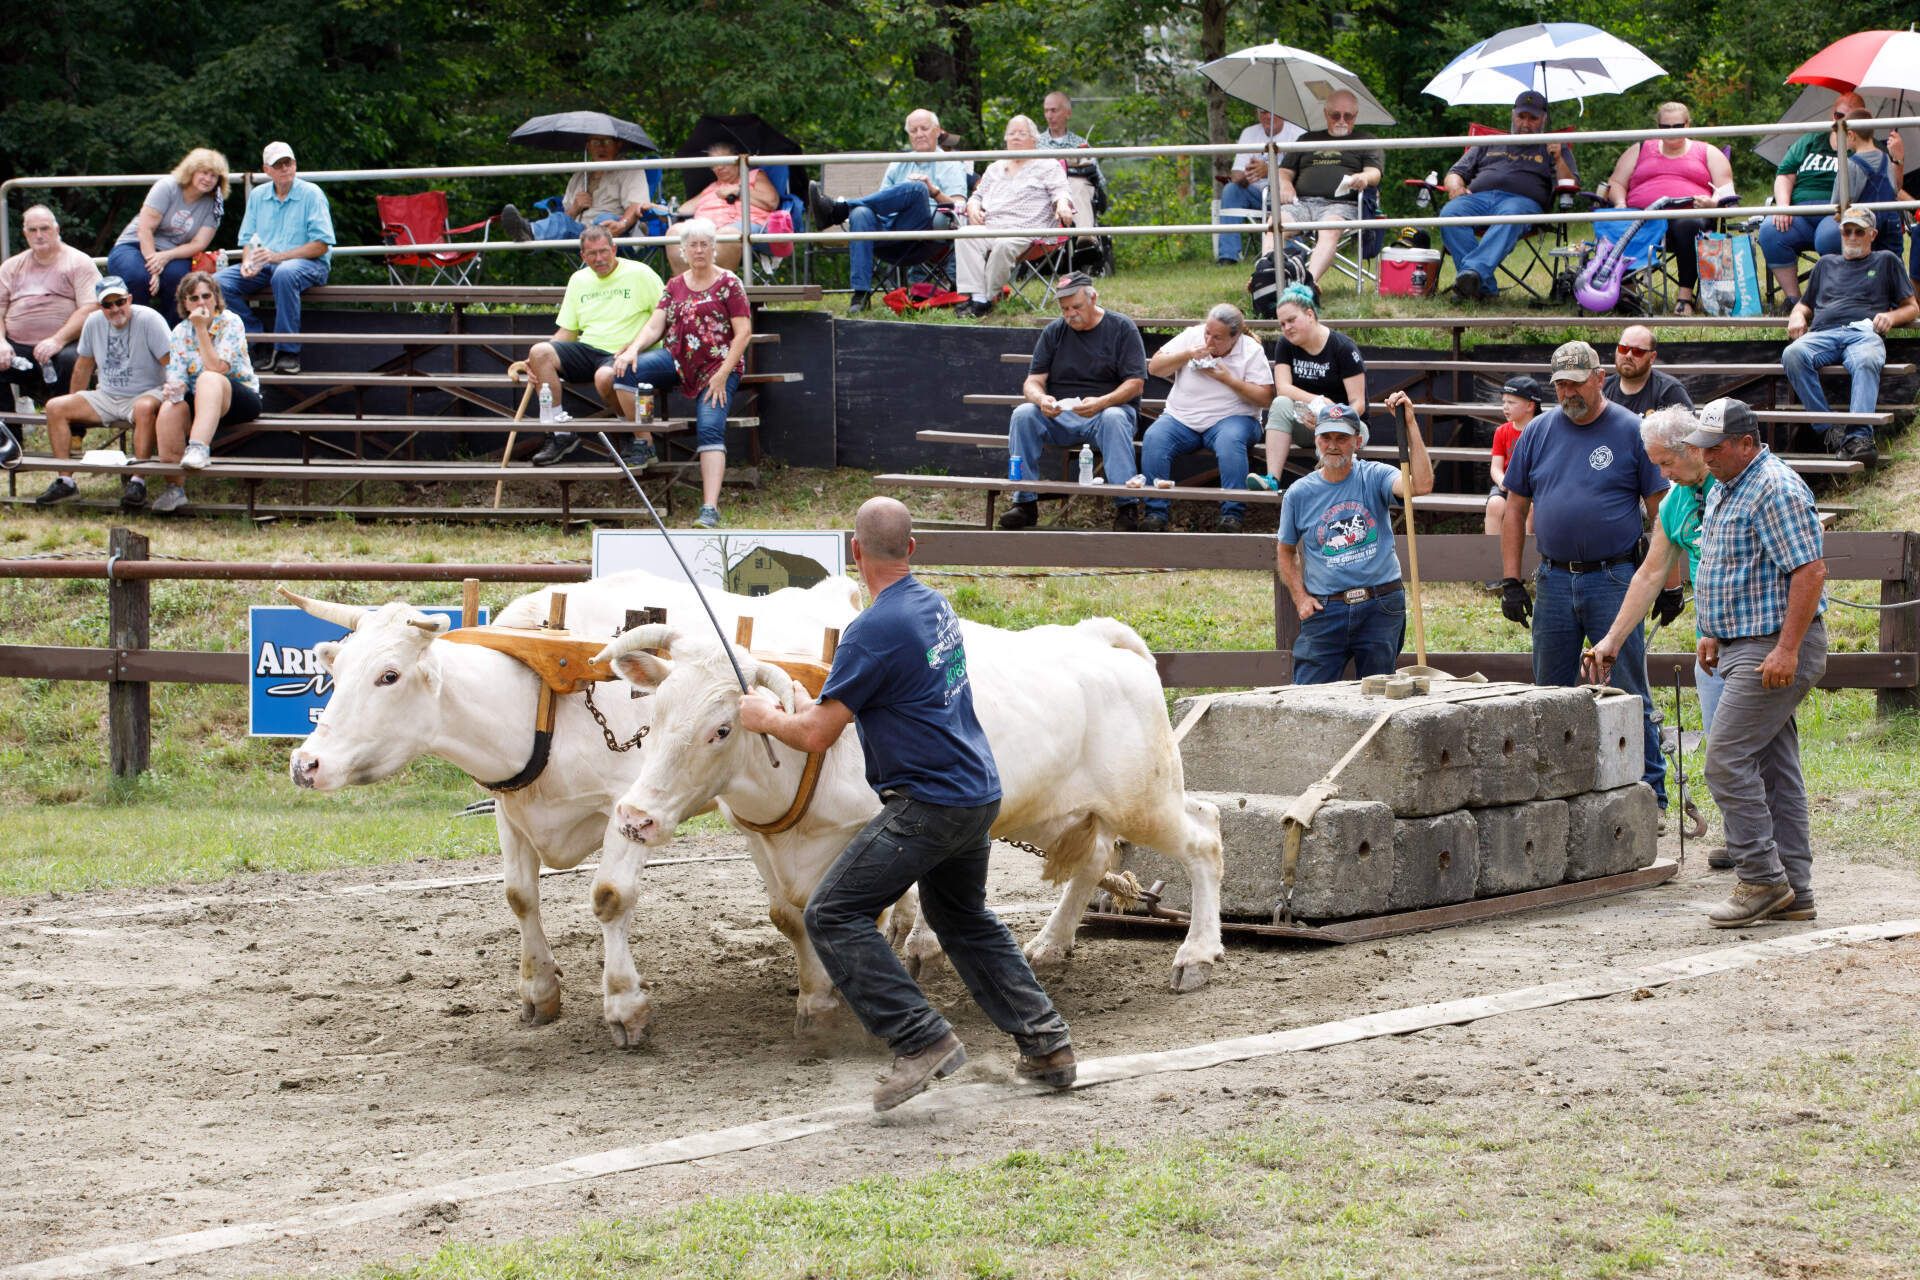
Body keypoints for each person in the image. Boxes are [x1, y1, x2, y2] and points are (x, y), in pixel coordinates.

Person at [739, 496, 1076, 1112]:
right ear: (913, 549)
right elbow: (880, 691)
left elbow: (816, 734)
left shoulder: (871, 630)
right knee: (962, 919)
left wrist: (764, 717)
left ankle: (922, 1040)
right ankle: (1048, 1046)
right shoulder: (932, 605)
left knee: (832, 914)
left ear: (854, 552)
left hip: (928, 802)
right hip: (976, 789)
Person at [1498, 340, 1672, 811]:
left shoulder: (1631, 430)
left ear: (1600, 379)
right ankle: (1550, 796)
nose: (1568, 392)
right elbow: (1515, 509)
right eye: (1560, 385)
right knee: (1548, 692)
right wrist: (1512, 580)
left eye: (1576, 382)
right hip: (1553, 579)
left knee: (1629, 689)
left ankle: (1651, 796)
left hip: (1613, 577)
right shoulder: (1536, 432)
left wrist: (1669, 582)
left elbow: (1663, 512)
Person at [1684, 399, 1829, 927]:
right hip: (1747, 642)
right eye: (1703, 446)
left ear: (1748, 442)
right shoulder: (1729, 484)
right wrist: (1712, 631)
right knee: (1774, 766)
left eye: (1716, 446)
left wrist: (1786, 648)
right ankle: (1796, 890)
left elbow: (1809, 571)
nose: (1707, 455)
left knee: (1723, 758)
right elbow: (1729, 567)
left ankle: (1762, 879)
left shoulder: (1774, 487)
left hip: (1772, 644)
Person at [1583, 404, 1727, 863]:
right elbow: (1649, 574)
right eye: (1656, 465)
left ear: (1694, 450)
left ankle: (1766, 847)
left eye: (1666, 462)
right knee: (1723, 748)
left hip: (1756, 636)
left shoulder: (1734, 485)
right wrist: (1612, 639)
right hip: (1713, 638)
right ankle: (1746, 842)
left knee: (1742, 749)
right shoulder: (1675, 500)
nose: (1662, 473)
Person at [1276, 394, 1432, 683]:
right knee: (1308, 698)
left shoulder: (1374, 475)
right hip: (1325, 609)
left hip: (1380, 604)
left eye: (1342, 438)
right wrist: (1301, 598)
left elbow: (1420, 484)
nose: (1333, 445)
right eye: (1326, 437)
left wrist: (1410, 423)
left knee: (1377, 697)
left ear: (1357, 442)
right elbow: (1286, 552)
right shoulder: (1298, 493)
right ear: (1316, 439)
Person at [610, 218, 751, 530]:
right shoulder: (674, 285)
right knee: (622, 372)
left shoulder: (729, 283)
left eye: (704, 244)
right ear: (684, 250)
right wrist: (633, 349)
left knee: (710, 428)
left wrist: (723, 373)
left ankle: (709, 508)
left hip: (718, 365)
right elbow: (654, 326)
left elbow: (743, 334)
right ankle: (644, 442)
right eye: (693, 245)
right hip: (676, 359)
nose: (699, 250)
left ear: (714, 248)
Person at [996, 272, 1147, 531]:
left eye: (1076, 307)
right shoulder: (1054, 331)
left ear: (1093, 298)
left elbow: (1135, 383)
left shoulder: (1121, 328)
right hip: (1061, 414)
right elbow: (1032, 381)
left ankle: (1126, 507)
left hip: (1107, 412)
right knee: (1023, 413)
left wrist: (1102, 402)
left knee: (1114, 417)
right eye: (1064, 309)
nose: (1070, 314)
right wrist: (1041, 399)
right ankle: (1024, 503)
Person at [1781, 205, 1917, 465]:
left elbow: (1912, 307)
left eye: (1859, 231)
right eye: (1847, 231)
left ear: (1872, 234)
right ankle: (1829, 431)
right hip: (1823, 333)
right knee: (1793, 353)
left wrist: (1890, 316)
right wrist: (1797, 314)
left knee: (1867, 359)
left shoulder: (1886, 260)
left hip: (1864, 332)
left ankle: (1859, 438)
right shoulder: (1825, 263)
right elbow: (1804, 304)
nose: (1852, 237)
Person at [527, 224, 666, 467]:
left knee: (605, 376)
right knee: (539, 352)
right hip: (589, 348)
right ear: (583, 256)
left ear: (614, 248)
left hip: (630, 350)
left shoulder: (640, 273)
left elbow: (665, 316)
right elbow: (568, 331)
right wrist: (534, 364)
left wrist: (637, 346)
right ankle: (560, 434)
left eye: (604, 251)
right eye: (592, 254)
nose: (599, 258)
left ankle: (632, 436)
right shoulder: (578, 279)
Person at [805, 108, 969, 312]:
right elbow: (880, 204)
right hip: (891, 233)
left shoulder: (951, 163)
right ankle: (860, 296)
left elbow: (958, 209)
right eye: (913, 130)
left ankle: (839, 210)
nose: (919, 134)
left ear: (937, 131)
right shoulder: (898, 162)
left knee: (917, 188)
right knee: (861, 213)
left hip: (927, 233)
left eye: (924, 128)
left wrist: (933, 191)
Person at [32, 277, 169, 509]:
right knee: (55, 406)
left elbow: (170, 361)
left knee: (144, 408)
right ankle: (65, 481)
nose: (115, 308)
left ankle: (138, 481)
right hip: (106, 394)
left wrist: (173, 395)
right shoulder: (93, 322)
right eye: (108, 304)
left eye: (120, 301)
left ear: (130, 299)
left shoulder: (150, 319)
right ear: (100, 307)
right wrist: (75, 401)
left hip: (147, 391)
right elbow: (83, 366)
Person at [1140, 303, 1276, 533]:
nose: (1209, 342)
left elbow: (1265, 397)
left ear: (1234, 338)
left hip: (1234, 418)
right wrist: (1187, 354)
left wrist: (1227, 378)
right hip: (1182, 418)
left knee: (1229, 441)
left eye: (1218, 338)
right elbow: (1155, 368)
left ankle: (1232, 515)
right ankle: (1156, 513)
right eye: (1207, 333)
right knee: (1154, 437)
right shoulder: (1193, 336)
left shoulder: (1250, 349)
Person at [1593, 102, 1737, 316]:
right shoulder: (1640, 149)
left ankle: (1684, 299)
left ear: (1688, 125)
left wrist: (1712, 204)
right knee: (1618, 221)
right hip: (1642, 217)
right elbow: (1616, 182)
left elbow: (1726, 189)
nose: (1671, 132)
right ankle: (1627, 292)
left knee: (1688, 224)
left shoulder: (1707, 151)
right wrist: (1620, 203)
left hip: (1687, 216)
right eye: (1665, 127)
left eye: (1677, 126)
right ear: (1657, 126)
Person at [1439, 89, 1578, 302]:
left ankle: (1473, 275)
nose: (1526, 123)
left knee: (1511, 213)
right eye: (1521, 116)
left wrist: (1558, 159)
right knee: (1450, 213)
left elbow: (1571, 184)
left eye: (1533, 118)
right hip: (1479, 199)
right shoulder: (1489, 142)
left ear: (1543, 120)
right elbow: (1455, 173)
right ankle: (1480, 286)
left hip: (1522, 204)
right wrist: (1456, 187)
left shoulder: (1553, 146)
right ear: (1513, 115)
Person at [214, 141, 334, 374]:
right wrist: (249, 262)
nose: (284, 168)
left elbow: (321, 245)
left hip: (309, 265)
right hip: (268, 264)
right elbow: (248, 240)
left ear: (295, 164)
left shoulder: (312, 194)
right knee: (216, 283)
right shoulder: (258, 196)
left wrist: (277, 257)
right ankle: (258, 340)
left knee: (285, 272)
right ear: (266, 170)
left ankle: (289, 350)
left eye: (287, 162)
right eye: (277, 165)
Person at [1758, 93, 1886, 309]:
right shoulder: (1810, 141)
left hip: (1839, 210)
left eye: (1849, 117)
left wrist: (1897, 159)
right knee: (1770, 230)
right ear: (1831, 115)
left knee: (1830, 236)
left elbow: (1884, 183)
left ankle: (1829, 300)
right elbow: (1785, 174)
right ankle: (1794, 301)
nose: (1842, 121)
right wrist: (1783, 206)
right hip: (1799, 212)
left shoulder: (1867, 147)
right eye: (1838, 115)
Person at [150, 271, 263, 515]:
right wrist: (174, 387)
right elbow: (178, 375)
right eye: (193, 298)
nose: (201, 303)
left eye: (206, 296)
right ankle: (174, 489)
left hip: (237, 397)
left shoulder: (231, 322)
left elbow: (217, 367)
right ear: (185, 304)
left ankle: (199, 448)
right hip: (198, 399)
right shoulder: (180, 331)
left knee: (209, 378)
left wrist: (201, 330)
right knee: (170, 407)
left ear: (215, 298)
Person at [1247, 284, 1366, 491]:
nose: (1286, 328)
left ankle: (1329, 484)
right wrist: (1318, 402)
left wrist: (1333, 416)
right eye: (1282, 324)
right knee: (1281, 402)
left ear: (1310, 314)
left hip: (1347, 426)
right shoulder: (1285, 345)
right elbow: (1283, 388)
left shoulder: (1342, 347)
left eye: (1292, 320)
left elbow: (1359, 402)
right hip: (1307, 424)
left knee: (1337, 434)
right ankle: (1272, 478)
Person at [956, 115, 1074, 318]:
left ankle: (985, 299)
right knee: (964, 234)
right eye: (1011, 133)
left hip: (1029, 229)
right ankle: (976, 297)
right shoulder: (995, 167)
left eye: (1022, 133)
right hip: (993, 225)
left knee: (1004, 244)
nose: (1016, 137)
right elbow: (977, 195)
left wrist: (1063, 205)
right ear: (1005, 139)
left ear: (1034, 140)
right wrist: (973, 205)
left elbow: (1061, 191)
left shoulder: (1047, 164)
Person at [106, 148, 230, 326]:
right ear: (191, 171)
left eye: (214, 175)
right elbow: (145, 229)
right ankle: (135, 331)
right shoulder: (168, 186)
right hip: (135, 244)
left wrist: (165, 257)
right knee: (139, 278)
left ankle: (173, 337)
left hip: (174, 252)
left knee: (181, 281)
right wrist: (154, 268)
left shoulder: (214, 203)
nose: (208, 179)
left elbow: (199, 243)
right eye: (204, 172)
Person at [1273, 90, 1383, 286]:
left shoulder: (1366, 140)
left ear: (1355, 116)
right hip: (1302, 203)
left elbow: (1374, 173)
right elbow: (1284, 171)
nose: (1341, 120)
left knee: (1330, 227)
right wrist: (1286, 184)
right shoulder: (1307, 139)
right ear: (1326, 114)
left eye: (1347, 116)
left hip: (1341, 205)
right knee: (1274, 223)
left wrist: (1363, 177)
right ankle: (1268, 278)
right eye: (1335, 115)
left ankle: (1306, 285)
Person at [0, 204, 101, 415]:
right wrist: (1, 343)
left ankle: (72, 430)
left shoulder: (78, 262)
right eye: (32, 230)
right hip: (16, 344)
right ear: (24, 233)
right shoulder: (11, 266)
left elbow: (90, 307)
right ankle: (7, 436)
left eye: (44, 228)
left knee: (71, 360)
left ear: (57, 229)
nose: (39, 235)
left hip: (66, 342)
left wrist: (58, 340)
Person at [500, 135, 662, 244]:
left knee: (602, 220)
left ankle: (531, 235)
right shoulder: (579, 174)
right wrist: (575, 208)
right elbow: (565, 219)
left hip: (615, 232)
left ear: (618, 145)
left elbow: (637, 206)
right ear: (588, 146)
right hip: (578, 233)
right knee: (561, 220)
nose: (601, 147)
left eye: (606, 142)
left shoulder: (630, 168)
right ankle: (528, 233)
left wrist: (622, 224)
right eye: (595, 142)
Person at [671, 143, 782, 275]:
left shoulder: (754, 176)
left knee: (726, 234)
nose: (718, 167)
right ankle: (685, 290)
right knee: (675, 231)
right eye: (714, 164)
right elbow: (681, 210)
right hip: (707, 231)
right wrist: (659, 208)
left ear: (736, 159)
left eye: (723, 161)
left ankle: (721, 290)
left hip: (744, 228)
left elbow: (772, 202)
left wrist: (739, 191)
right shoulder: (711, 187)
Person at [1217, 108, 1304, 265]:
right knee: (1231, 190)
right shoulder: (1249, 133)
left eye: (1273, 112)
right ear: (1256, 113)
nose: (1268, 116)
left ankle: (1292, 253)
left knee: (1287, 193)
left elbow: (1304, 174)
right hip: (1257, 193)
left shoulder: (1298, 133)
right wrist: (1251, 171)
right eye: (1263, 112)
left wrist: (1268, 170)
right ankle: (1228, 256)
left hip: (1287, 193)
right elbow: (1236, 174)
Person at [1484, 375, 1544, 538]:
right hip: (1507, 485)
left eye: (1511, 403)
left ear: (1530, 405)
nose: (1505, 407)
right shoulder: (1501, 431)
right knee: (1495, 504)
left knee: (1531, 510)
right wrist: (1502, 482)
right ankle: (1492, 553)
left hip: (1534, 488)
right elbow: (1496, 467)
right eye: (1504, 402)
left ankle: (1527, 555)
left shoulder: (1543, 431)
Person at [1037, 91, 1104, 232]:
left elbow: (1100, 182)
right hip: (1043, 196)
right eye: (1046, 111)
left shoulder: (1081, 144)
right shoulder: (1035, 144)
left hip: (1076, 194)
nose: (1049, 116)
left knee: (1079, 185)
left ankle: (1085, 238)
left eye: (1054, 110)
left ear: (1068, 113)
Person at [1604, 325, 1693, 415]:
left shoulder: (1670, 391)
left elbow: (1689, 427)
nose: (1628, 355)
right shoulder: (1601, 389)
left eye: (1637, 351)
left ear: (1652, 357)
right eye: (1623, 348)